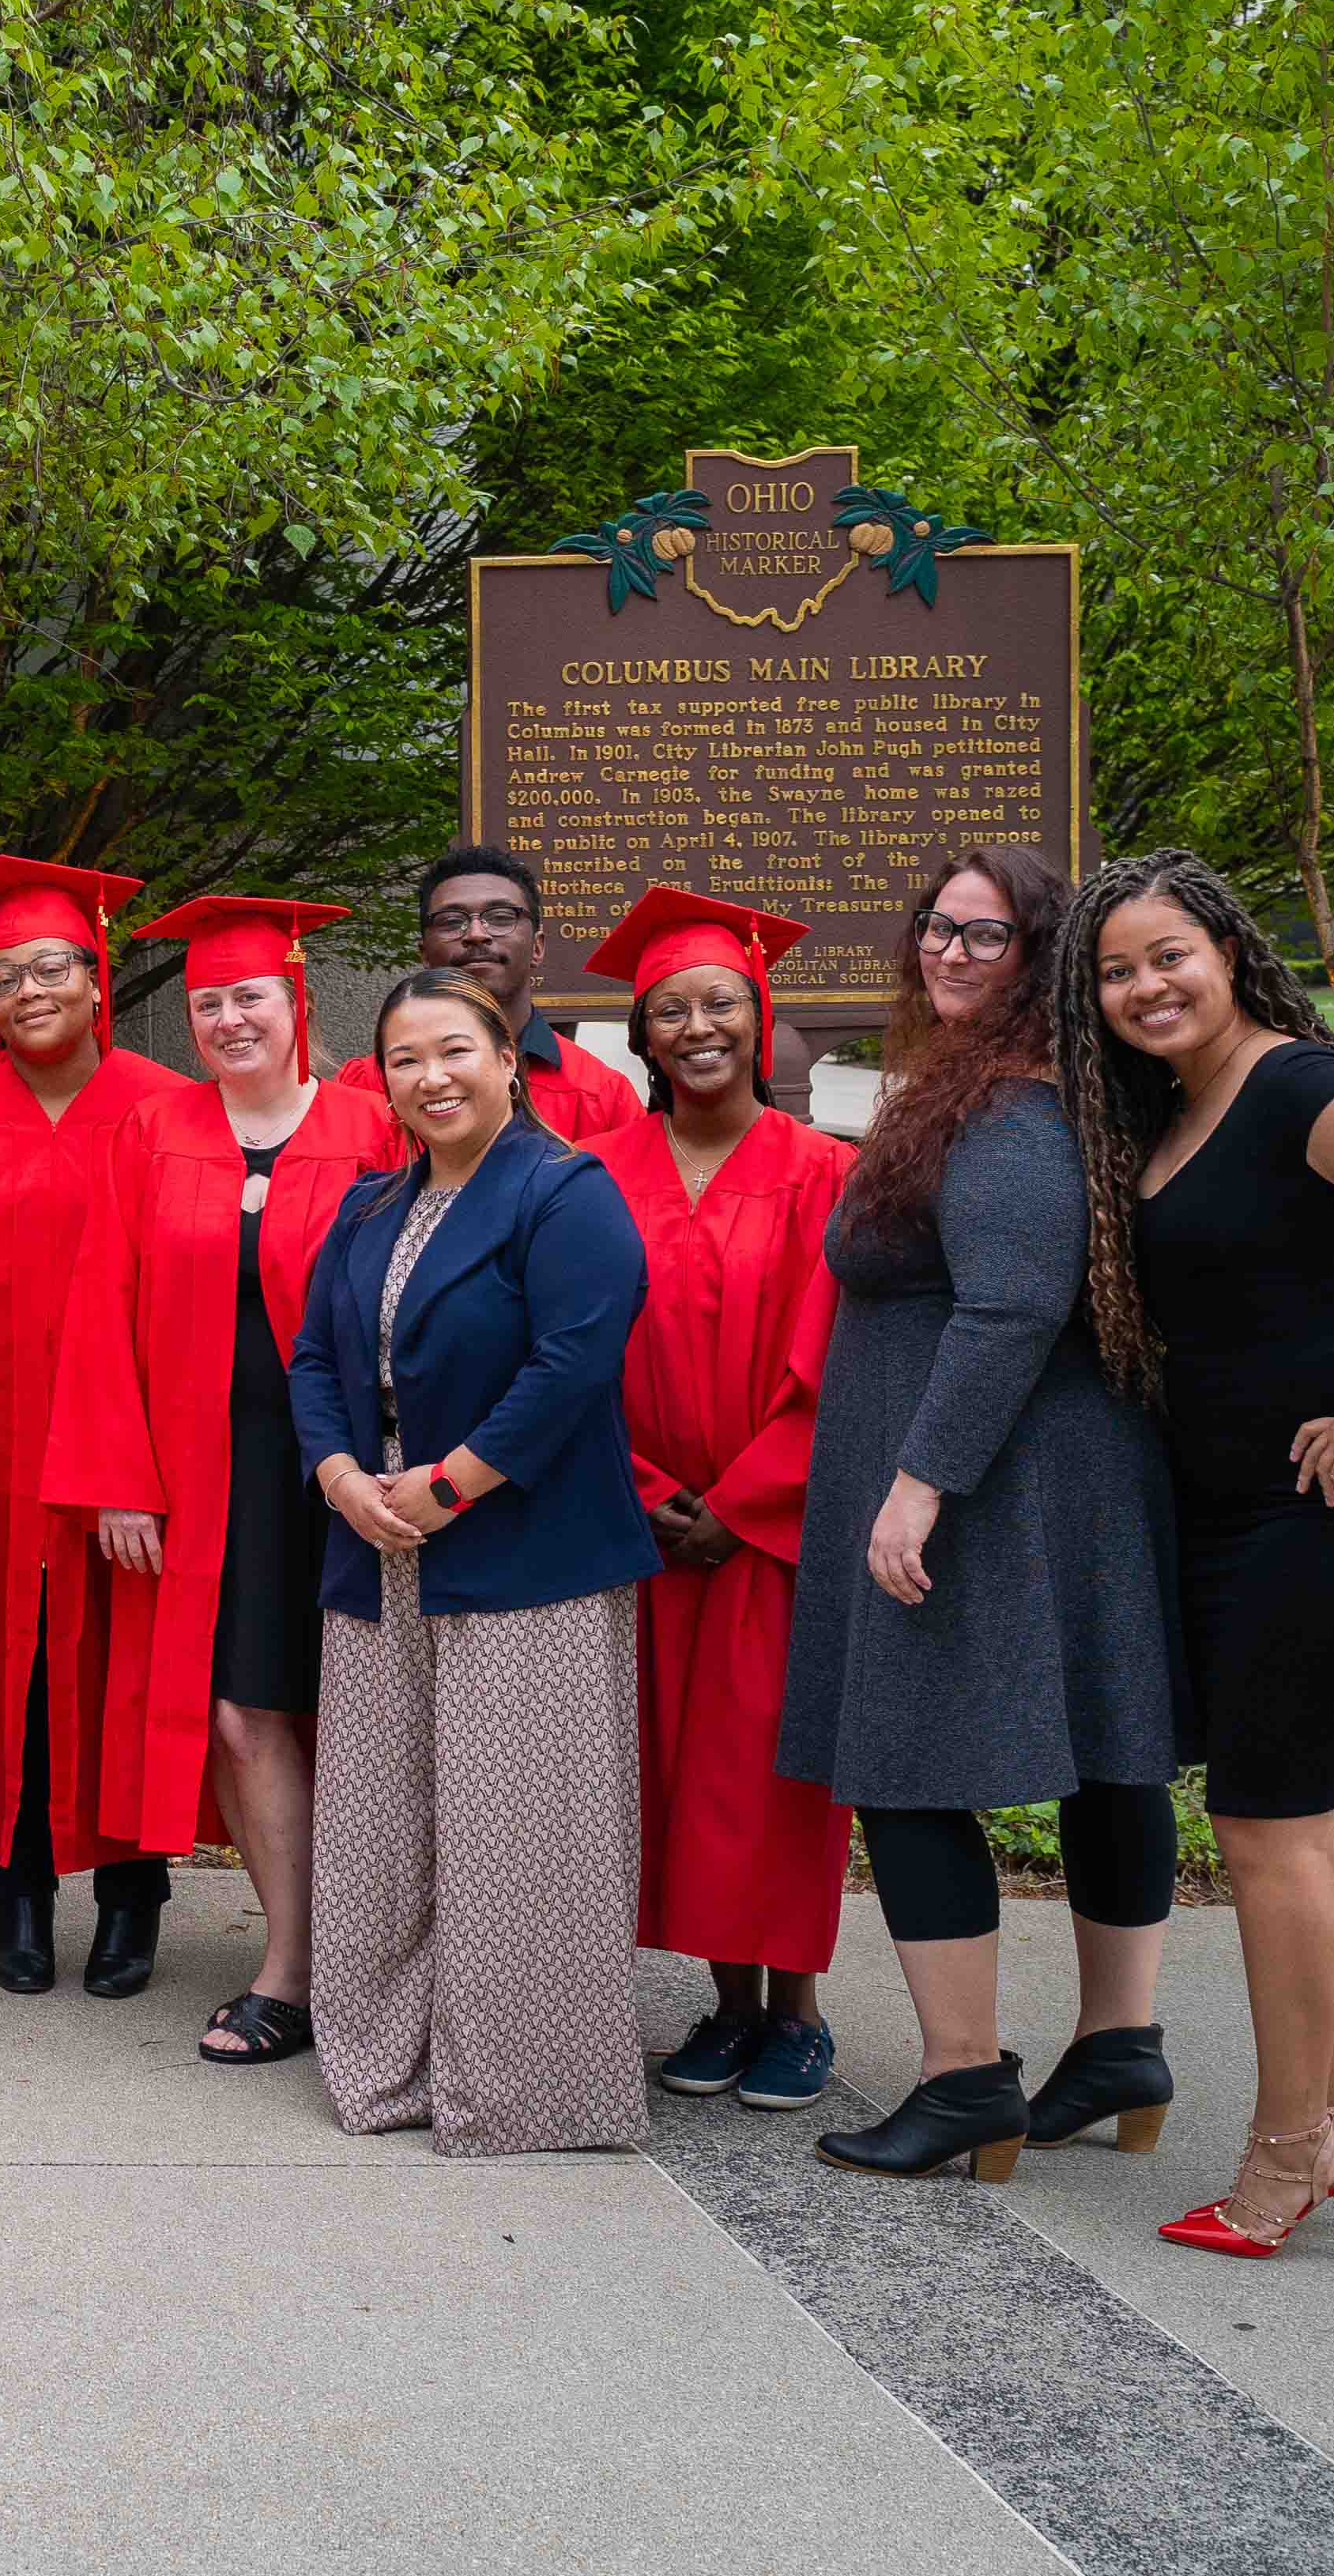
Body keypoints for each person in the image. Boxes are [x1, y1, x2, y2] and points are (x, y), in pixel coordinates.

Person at [1057, 850, 1334, 2255]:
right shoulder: (1178, 1106)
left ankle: (1281, 2153)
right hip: (1242, 1515)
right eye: (1113, 972)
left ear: (1226, 950)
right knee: (1289, 1828)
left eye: (1162, 955)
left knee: (1264, 1828)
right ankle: (1330, 2122)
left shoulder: (1301, 1086)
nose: (1141, 986)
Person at [785, 843, 1183, 2184]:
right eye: (934, 928)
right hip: (1055, 1479)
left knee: (900, 1762)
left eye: (986, 934)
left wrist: (915, 1482)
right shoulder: (1009, 1088)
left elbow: (1007, 1305)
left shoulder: (1010, 1108)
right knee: (1104, 1751)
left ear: (1037, 956)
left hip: (989, 1483)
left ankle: (963, 2077)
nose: (950, 953)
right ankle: (1118, 2042)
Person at [289, 970, 661, 2155]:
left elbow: (573, 1364)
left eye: (455, 1050)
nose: (431, 1076)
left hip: (520, 1551)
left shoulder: (564, 1191)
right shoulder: (364, 1210)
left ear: (510, 1058)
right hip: (376, 1545)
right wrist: (343, 1480)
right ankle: (385, 2066)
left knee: (520, 1834)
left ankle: (521, 2090)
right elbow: (310, 1363)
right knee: (379, 1825)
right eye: (403, 1058)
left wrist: (449, 1485)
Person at [51, 896, 398, 2066]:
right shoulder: (152, 1132)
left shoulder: (373, 1125)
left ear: (294, 996)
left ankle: (388, 1957)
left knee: (362, 1712)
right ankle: (289, 1968)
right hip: (209, 1478)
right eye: (206, 1002)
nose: (229, 1018)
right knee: (242, 1713)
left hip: (354, 1474)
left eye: (248, 994)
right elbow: (96, 1305)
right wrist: (118, 1479)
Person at [571, 889, 853, 2110]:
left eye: (720, 1003)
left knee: (768, 1769)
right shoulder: (593, 1174)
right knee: (675, 1771)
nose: (697, 1025)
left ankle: (795, 2012)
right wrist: (640, 1493)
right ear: (640, 1032)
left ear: (761, 1016)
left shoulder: (822, 1174)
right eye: (671, 1007)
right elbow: (564, 1355)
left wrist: (737, 1505)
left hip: (766, 1531)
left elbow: (836, 1360)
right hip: (635, 1525)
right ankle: (727, 2005)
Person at [0, 855, 193, 1999]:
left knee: (126, 1665)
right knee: (5, 1665)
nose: (25, 989)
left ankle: (132, 1900)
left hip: (132, 1438)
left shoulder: (167, 1107)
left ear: (97, 978)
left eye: (48, 968)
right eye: (2, 976)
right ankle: (17, 1893)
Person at [330, 845, 644, 1147]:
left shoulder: (601, 1096)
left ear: (537, 947)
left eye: (501, 917)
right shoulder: (365, 1086)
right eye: (452, 922)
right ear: (424, 954)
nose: (477, 934)